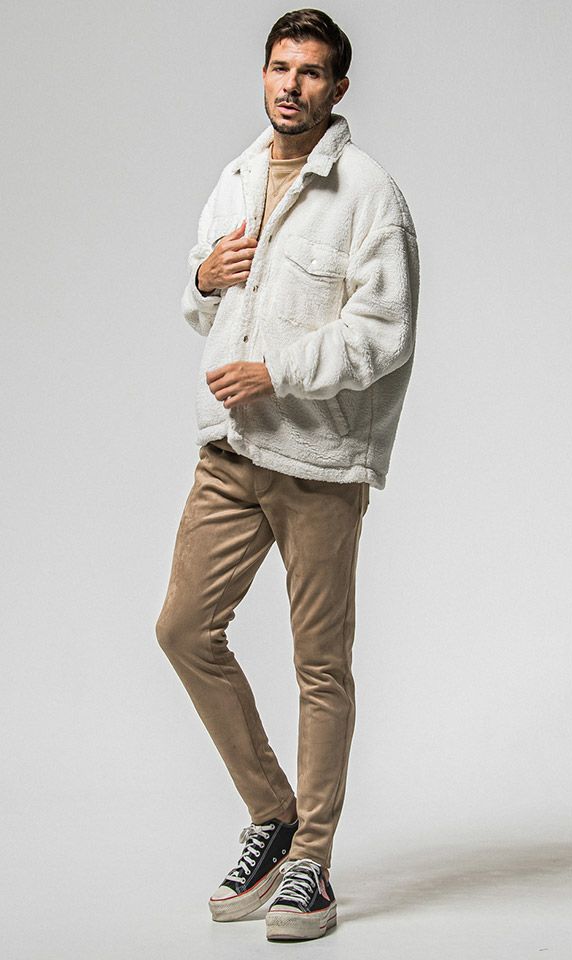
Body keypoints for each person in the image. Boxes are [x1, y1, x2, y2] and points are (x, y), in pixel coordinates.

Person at [156, 8, 419, 942]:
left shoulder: (369, 194)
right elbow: (206, 303)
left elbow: (384, 335)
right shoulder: (236, 176)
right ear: (263, 74)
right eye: (279, 67)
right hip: (230, 450)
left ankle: (312, 860)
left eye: (310, 73)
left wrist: (279, 370)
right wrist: (203, 279)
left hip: (318, 461)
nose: (291, 86)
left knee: (320, 665)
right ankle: (272, 816)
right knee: (184, 629)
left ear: (338, 88)